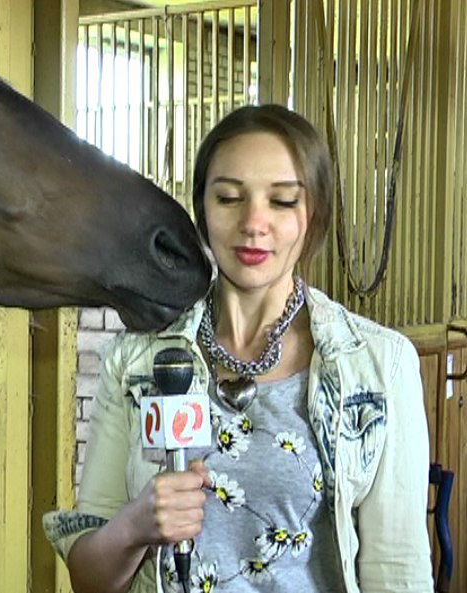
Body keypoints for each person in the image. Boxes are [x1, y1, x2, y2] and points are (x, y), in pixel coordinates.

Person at [43, 104, 432, 593]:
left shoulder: (379, 364)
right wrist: (136, 524)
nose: (253, 222)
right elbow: (89, 579)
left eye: (282, 201)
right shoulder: (135, 359)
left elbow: (398, 571)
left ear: (313, 215)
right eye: (229, 197)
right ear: (202, 209)